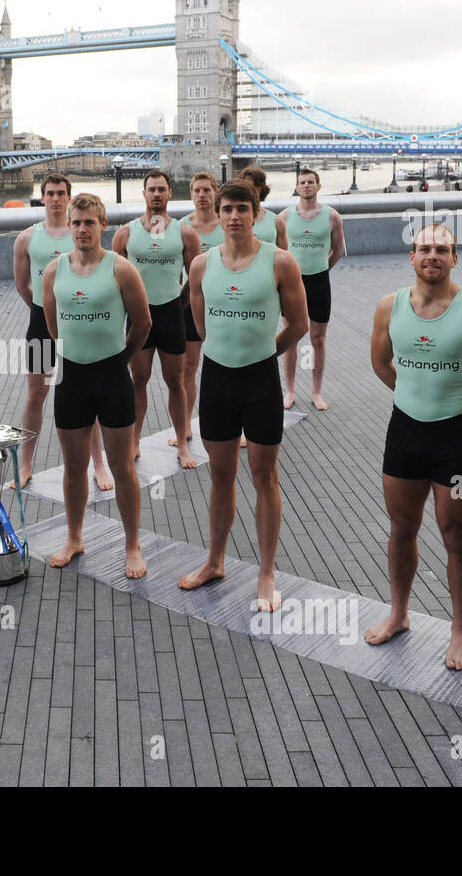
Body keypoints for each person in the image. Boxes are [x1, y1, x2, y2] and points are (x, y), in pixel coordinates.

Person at [365, 223, 462, 670]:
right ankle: (399, 613)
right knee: (401, 528)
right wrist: (412, 393)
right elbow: (381, 364)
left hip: (455, 442)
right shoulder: (390, 306)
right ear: (411, 256)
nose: (432, 255)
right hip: (404, 434)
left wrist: (459, 404)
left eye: (442, 249)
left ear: (455, 258)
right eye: (424, 248)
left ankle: (461, 630)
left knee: (455, 533)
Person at [176, 179, 307, 611]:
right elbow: (200, 325)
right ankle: (215, 560)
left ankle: (266, 573)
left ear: (256, 215)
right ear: (218, 212)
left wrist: (267, 354)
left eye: (242, 209)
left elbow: (299, 323)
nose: (234, 217)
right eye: (227, 208)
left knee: (264, 477)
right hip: (218, 380)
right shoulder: (200, 265)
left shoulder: (280, 263)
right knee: (219, 475)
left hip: (259, 382)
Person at [43, 194, 151, 579]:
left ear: (102, 225)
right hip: (71, 378)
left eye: (89, 222)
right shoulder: (55, 271)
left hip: (112, 378)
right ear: (68, 226)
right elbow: (52, 325)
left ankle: (132, 545)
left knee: (122, 467)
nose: (82, 229)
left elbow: (143, 323)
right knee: (74, 467)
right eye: (76, 223)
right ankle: (74, 538)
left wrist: (120, 359)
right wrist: (72, 351)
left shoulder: (121, 269)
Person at [11, 173, 113, 490]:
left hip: (79, 322)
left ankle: (99, 465)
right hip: (42, 321)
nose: (55, 198)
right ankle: (26, 464)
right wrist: (43, 309)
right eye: (50, 193)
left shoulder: (78, 232)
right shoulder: (27, 238)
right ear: (42, 198)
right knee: (36, 394)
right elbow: (23, 285)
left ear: (68, 198)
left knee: (90, 394)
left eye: (60, 193)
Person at [111, 170, 201, 469]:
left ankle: (182, 444)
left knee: (176, 381)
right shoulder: (126, 233)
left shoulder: (184, 232)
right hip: (140, 316)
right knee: (138, 380)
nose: (157, 194)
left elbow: (196, 274)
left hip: (171, 312)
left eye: (162, 189)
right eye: (152, 189)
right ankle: (134, 442)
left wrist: (182, 301)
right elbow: (114, 277)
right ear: (144, 193)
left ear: (170, 193)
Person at [280, 168, 344, 411]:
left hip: (319, 282)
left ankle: (316, 392)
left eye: (310, 182)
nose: (306, 186)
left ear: (318, 186)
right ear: (297, 187)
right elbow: (278, 250)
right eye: (302, 182)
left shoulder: (332, 217)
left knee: (318, 338)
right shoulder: (285, 217)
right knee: (291, 337)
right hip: (293, 284)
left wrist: (321, 268)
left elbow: (337, 251)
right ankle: (290, 390)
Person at [172, 172, 224, 449]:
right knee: (188, 368)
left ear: (215, 193)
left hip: (224, 306)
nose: (202, 195)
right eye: (197, 190)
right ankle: (188, 425)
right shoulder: (182, 226)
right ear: (191, 194)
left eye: (206, 190)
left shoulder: (226, 224)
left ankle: (231, 425)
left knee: (227, 366)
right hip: (191, 303)